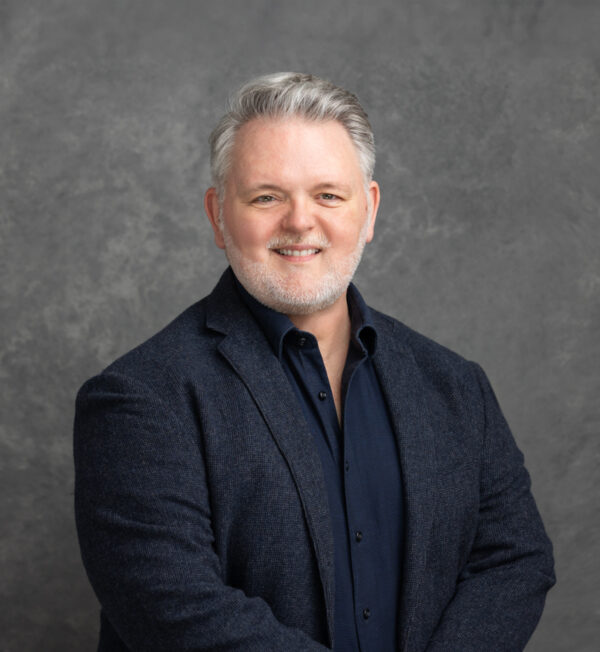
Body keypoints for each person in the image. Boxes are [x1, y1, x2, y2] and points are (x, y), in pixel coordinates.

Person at [74, 72, 555, 652]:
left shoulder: (455, 386)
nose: (300, 221)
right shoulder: (140, 398)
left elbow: (514, 559)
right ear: (218, 215)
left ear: (369, 211)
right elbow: (174, 610)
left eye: (328, 194)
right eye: (266, 196)